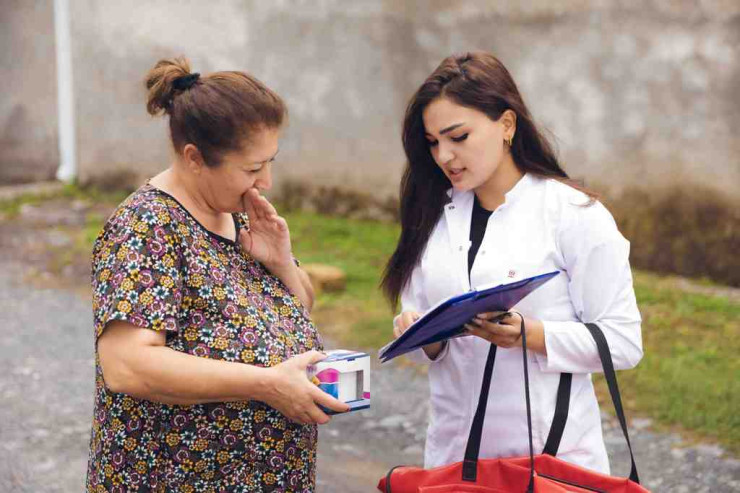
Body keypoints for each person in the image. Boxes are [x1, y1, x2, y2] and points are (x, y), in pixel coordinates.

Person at [86, 57, 348, 492]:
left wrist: (281, 261)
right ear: (194, 158)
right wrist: (267, 385)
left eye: (270, 162)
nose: (265, 181)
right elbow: (126, 365)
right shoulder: (148, 226)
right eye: (251, 169)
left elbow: (298, 309)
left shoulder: (237, 215)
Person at [381, 52, 643, 475]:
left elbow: (624, 343)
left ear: (506, 124)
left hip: (548, 464)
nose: (444, 156)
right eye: (432, 143)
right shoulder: (433, 217)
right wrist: (424, 337)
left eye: (458, 137)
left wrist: (531, 335)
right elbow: (426, 330)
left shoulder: (574, 214)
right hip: (453, 463)